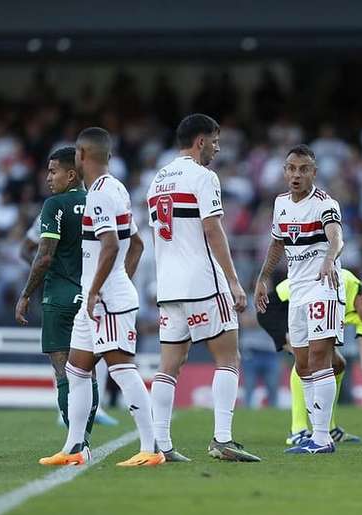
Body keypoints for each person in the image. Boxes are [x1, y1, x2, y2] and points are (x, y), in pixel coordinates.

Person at [38, 127, 161, 467]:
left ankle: (151, 448)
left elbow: (109, 245)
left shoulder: (100, 195)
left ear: (81, 155)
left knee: (122, 370)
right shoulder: (116, 188)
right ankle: (75, 447)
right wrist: (120, 279)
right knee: (77, 372)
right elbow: (135, 243)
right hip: (100, 297)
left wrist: (97, 290)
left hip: (103, 299)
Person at [147, 113, 260, 463]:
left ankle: (160, 444)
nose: (217, 147)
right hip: (203, 283)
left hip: (168, 286)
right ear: (200, 141)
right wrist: (234, 282)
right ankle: (223, 440)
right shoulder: (204, 177)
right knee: (228, 357)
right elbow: (213, 230)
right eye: (214, 140)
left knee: (169, 366)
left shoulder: (157, 179)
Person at [255, 144, 345, 454]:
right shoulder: (280, 204)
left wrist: (329, 259)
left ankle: (322, 437)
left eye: (303, 169)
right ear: (284, 172)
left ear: (314, 173)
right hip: (297, 289)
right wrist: (264, 277)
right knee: (303, 363)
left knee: (320, 357)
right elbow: (277, 243)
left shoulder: (325, 204)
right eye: (291, 169)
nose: (296, 174)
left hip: (323, 286)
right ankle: (314, 434)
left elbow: (336, 237)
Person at [15, 147, 102, 444]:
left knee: (63, 373)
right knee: (88, 373)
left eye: (53, 171)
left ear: (72, 174)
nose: (48, 177)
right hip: (92, 296)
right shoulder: (98, 200)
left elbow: (43, 256)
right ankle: (84, 437)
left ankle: (76, 441)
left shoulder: (54, 205)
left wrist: (26, 294)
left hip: (59, 297)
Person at [256, 268, 362, 445]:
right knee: (305, 360)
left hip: (308, 313)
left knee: (338, 365)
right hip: (279, 307)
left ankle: (329, 427)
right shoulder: (339, 283)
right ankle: (297, 430)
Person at [19, 198, 118, 429]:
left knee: (85, 349)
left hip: (87, 288)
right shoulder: (59, 210)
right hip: (80, 289)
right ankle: (74, 413)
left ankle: (91, 409)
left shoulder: (91, 201)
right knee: (76, 350)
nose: (49, 178)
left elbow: (26, 248)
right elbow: (28, 250)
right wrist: (49, 269)